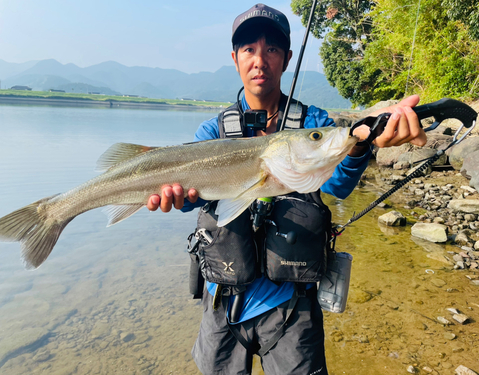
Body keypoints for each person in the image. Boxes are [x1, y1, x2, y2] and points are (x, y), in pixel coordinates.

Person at [148, 4, 426, 374]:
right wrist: (176, 199)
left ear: (287, 58)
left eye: (272, 49)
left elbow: (338, 186)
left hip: (293, 306)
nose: (259, 60)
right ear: (235, 58)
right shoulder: (211, 133)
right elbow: (191, 202)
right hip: (222, 299)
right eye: (249, 49)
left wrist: (361, 142)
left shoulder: (314, 125)